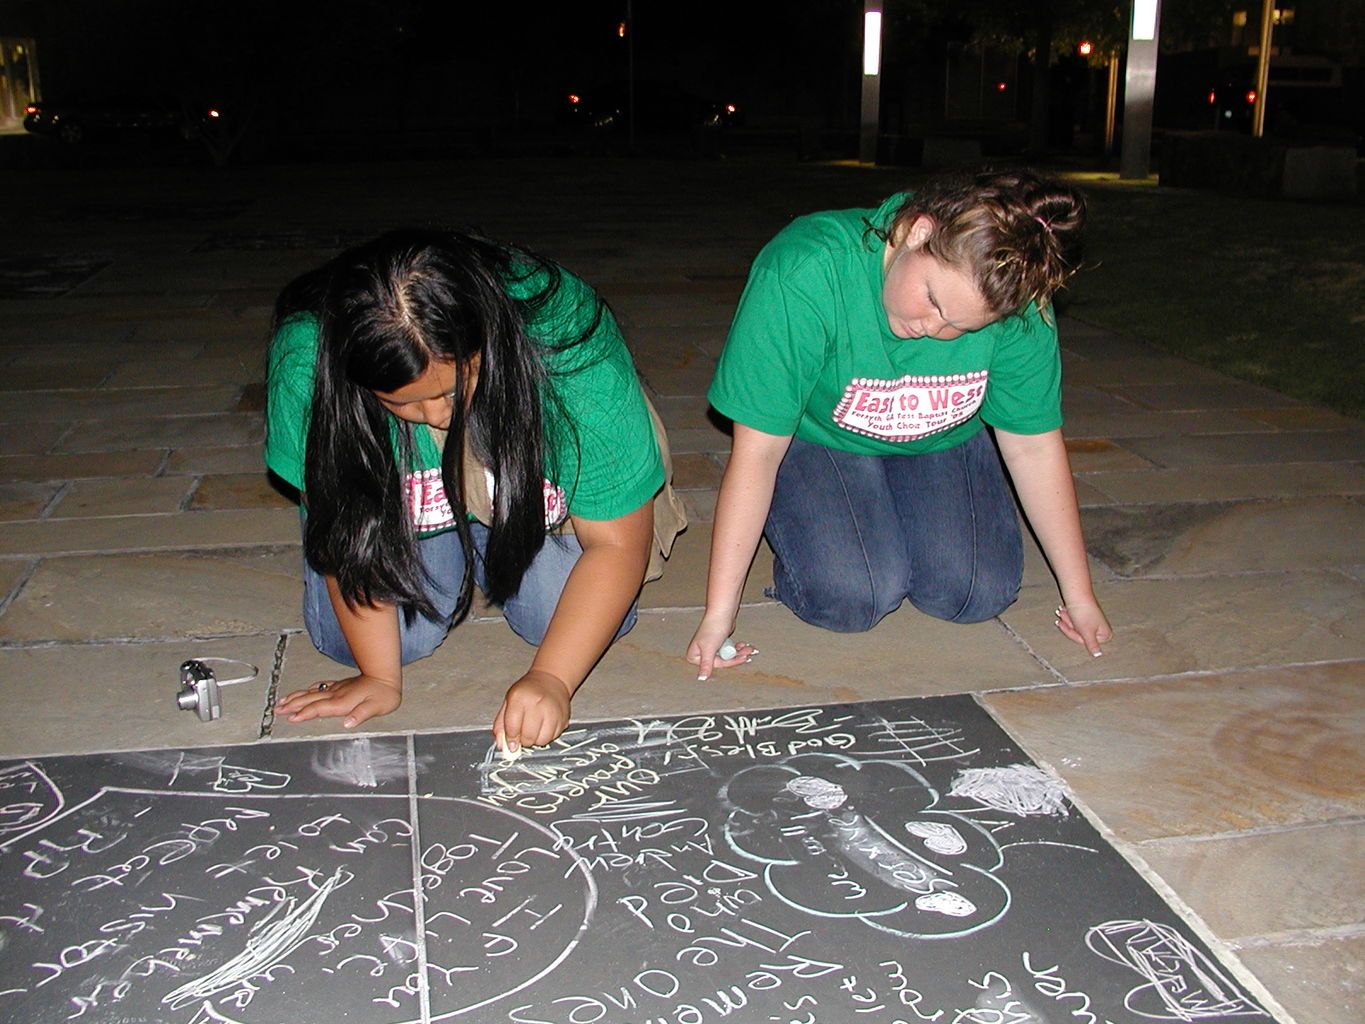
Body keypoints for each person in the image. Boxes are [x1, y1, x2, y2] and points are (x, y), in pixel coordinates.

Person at [265, 229, 684, 752]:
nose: (438, 416)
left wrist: (552, 679)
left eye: (449, 389)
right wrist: (381, 678)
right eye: (403, 404)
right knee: (388, 639)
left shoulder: (564, 338)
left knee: (563, 618)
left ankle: (489, 530)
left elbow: (619, 545)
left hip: (529, 456)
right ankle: (456, 531)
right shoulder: (307, 366)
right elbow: (346, 525)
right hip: (404, 488)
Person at [688, 169, 1112, 681]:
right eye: (934, 301)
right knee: (852, 597)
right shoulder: (806, 267)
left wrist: (1081, 596)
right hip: (819, 437)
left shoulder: (1018, 299)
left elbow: (1034, 450)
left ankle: (891, 510)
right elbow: (756, 454)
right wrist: (718, 616)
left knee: (974, 593)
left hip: (940, 435)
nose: (934, 331)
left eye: (963, 326)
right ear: (918, 231)